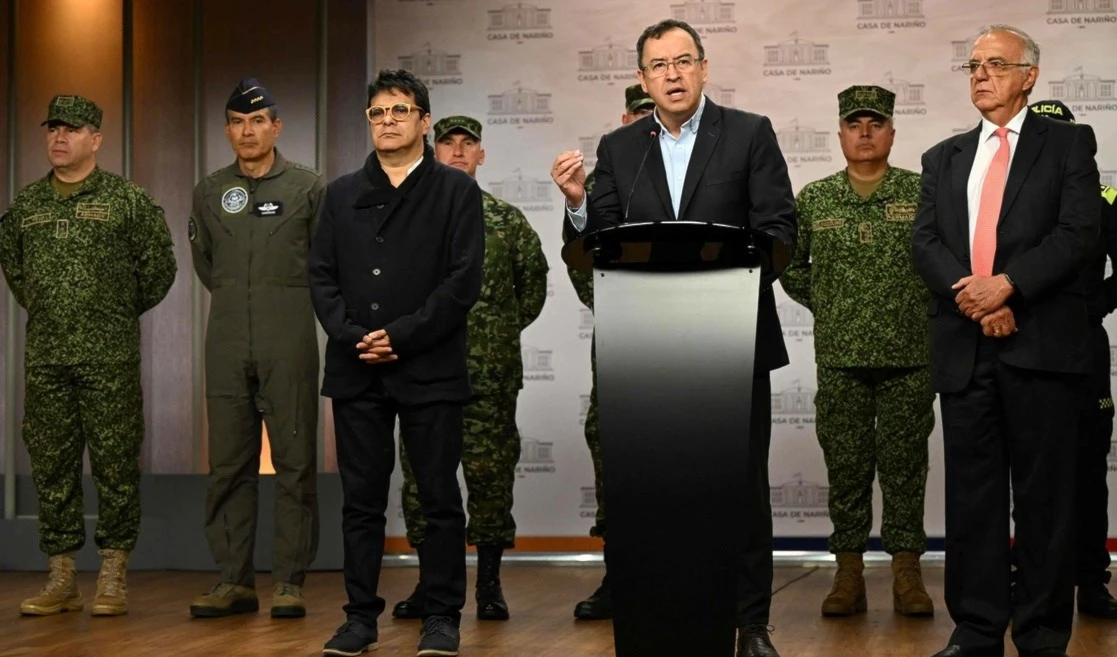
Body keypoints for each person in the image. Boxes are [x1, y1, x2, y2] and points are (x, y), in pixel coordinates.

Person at [551, 19, 796, 657]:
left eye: (683, 61)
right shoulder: (619, 147)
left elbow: (779, 229)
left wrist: (724, 279)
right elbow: (597, 242)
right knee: (652, 497)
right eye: (658, 65)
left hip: (732, 342)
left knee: (740, 490)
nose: (672, 74)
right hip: (646, 353)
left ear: (704, 68)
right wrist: (578, 201)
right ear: (642, 79)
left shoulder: (749, 134)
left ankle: (750, 625)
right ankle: (655, 618)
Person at [912, 25, 1099, 657]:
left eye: (996, 64)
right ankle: (976, 630)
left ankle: (1043, 637)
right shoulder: (943, 156)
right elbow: (927, 244)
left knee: (1045, 502)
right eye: (972, 66)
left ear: (1029, 76)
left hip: (1042, 346)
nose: (981, 75)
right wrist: (977, 297)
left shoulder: (1069, 145)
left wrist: (1009, 287)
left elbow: (1077, 235)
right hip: (968, 348)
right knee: (972, 500)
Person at [308, 69, 484, 657]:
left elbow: (462, 283)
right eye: (377, 113)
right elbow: (322, 277)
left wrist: (400, 336)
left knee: (437, 497)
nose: (387, 122)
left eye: (399, 111)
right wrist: (356, 335)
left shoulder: (455, 192)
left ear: (424, 121)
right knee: (360, 500)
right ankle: (359, 617)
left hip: (429, 366)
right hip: (357, 366)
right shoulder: (339, 194)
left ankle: (441, 616)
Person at [0, 94, 176, 617]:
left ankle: (113, 574)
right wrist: (58, 312)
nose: (59, 137)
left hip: (109, 359)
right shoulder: (26, 207)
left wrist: (111, 314)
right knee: (51, 465)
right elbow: (17, 274)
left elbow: (158, 272)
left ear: (95, 139)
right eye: (52, 128)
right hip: (47, 358)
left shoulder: (128, 201)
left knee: (115, 465)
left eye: (72, 129)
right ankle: (61, 576)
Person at [781, 84, 935, 619]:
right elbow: (792, 266)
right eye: (854, 124)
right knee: (846, 468)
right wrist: (829, 303)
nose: (864, 132)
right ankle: (848, 572)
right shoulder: (816, 197)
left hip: (909, 354)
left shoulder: (921, 193)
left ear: (892, 131)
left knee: (904, 468)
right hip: (841, 356)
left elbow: (943, 264)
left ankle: (906, 573)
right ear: (840, 133)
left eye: (875, 123)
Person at [392, 115, 548, 622]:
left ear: (481, 155)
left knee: (489, 478)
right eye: (448, 143)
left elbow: (531, 294)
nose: (458, 152)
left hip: (489, 377)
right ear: (432, 152)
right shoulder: (406, 218)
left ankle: (489, 584)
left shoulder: (506, 221)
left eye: (468, 144)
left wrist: (491, 339)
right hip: (423, 373)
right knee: (422, 481)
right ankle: (429, 583)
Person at [187, 78, 324, 620]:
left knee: (294, 460)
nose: (248, 131)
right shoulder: (209, 189)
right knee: (227, 464)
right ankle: (232, 580)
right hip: (225, 337)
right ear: (227, 130)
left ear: (276, 127)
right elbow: (206, 264)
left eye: (258, 121)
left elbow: (324, 262)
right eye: (238, 123)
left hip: (287, 333)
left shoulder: (308, 188)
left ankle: (289, 581)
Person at [557, 83, 654, 622]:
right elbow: (584, 274)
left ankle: (697, 576)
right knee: (617, 461)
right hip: (621, 342)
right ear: (624, 117)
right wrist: (577, 205)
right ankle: (620, 576)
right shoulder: (601, 181)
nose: (647, 120)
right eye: (639, 112)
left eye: (653, 113)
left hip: (696, 340)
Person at [1025, 98, 1117, 621]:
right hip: (1019, 340)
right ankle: (1030, 578)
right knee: (1030, 470)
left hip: (1083, 349)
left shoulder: (1105, 199)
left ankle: (1091, 581)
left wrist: (1088, 308)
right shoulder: (1012, 193)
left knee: (1086, 472)